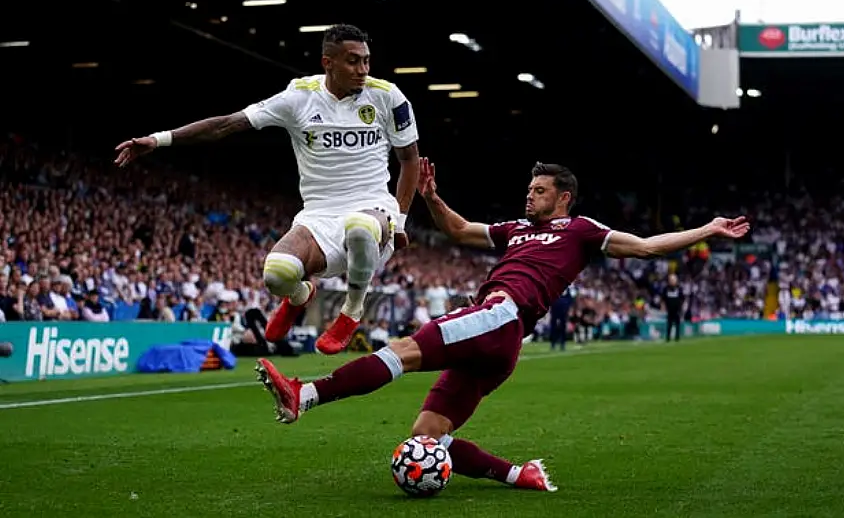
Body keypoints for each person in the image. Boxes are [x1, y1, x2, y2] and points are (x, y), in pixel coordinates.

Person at [255, 158, 750, 492]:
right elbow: (458, 229)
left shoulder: (581, 230)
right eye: (529, 190)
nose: (528, 197)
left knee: (403, 350)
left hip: (500, 316)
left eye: (538, 191)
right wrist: (430, 195)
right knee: (428, 436)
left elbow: (646, 246)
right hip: (499, 343)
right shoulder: (515, 230)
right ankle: (519, 475)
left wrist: (709, 229)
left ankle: (308, 395)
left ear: (564, 197)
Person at [113, 24, 420, 355]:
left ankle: (352, 310)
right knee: (277, 275)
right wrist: (159, 139)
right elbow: (227, 124)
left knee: (359, 228)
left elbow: (410, 160)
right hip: (319, 214)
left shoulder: (388, 96)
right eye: (353, 61)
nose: (362, 70)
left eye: (366, 61)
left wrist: (400, 221)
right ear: (327, 63)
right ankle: (301, 295)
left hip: (372, 206)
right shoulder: (299, 97)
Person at [662, 273, 684, 342]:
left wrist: (681, 307)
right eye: (671, 280)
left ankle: (677, 338)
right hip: (669, 309)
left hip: (677, 309)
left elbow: (682, 298)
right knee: (669, 324)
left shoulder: (679, 288)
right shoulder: (666, 288)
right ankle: (668, 338)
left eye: (673, 280)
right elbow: (663, 298)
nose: (672, 281)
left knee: (677, 324)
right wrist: (663, 306)